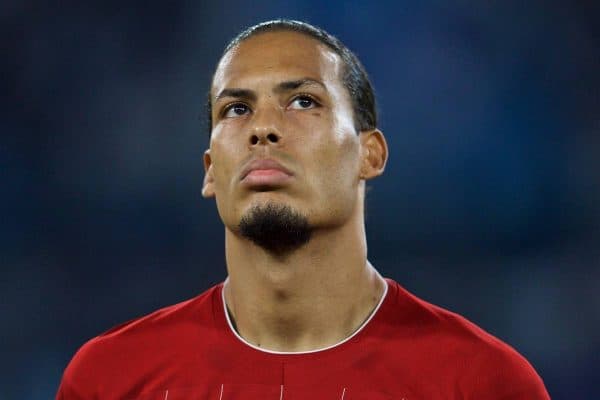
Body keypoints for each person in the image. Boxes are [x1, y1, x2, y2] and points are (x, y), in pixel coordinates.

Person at [56, 19, 550, 399]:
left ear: (370, 154)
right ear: (210, 170)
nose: (263, 129)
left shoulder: (484, 382)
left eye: (303, 102)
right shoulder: (110, 379)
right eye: (236, 109)